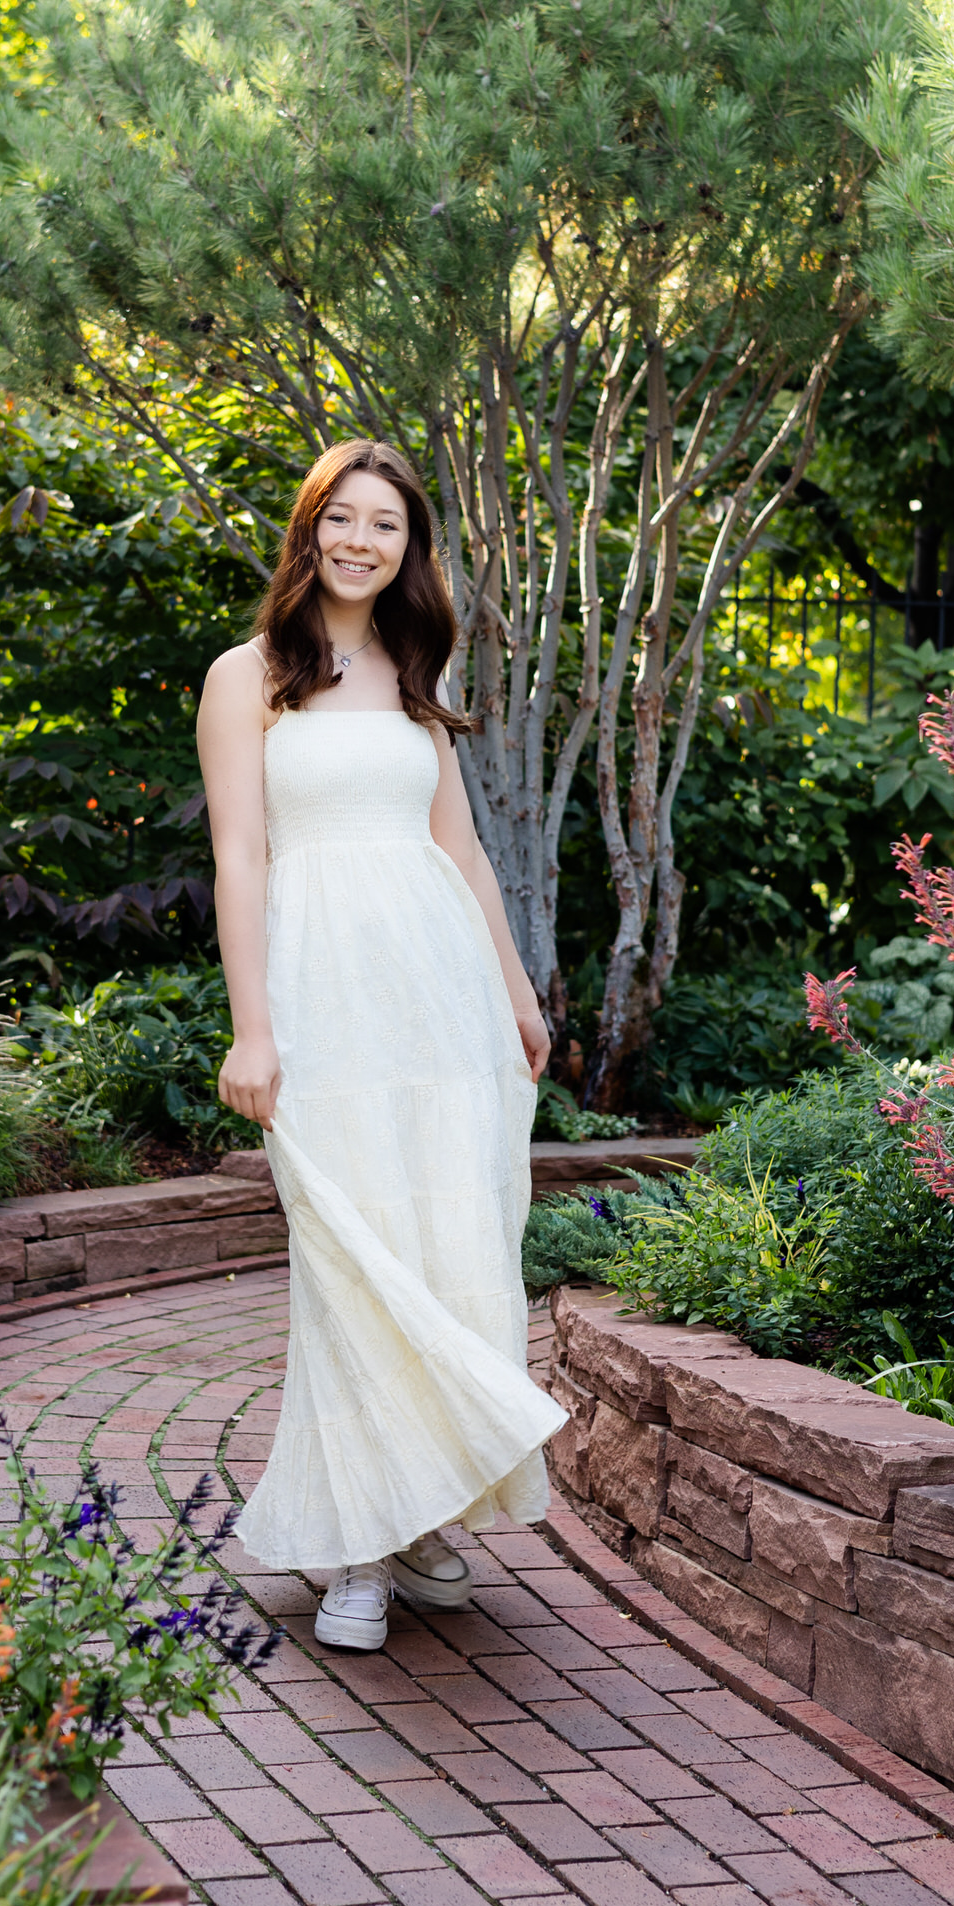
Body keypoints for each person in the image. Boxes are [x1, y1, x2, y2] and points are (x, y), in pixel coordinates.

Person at [197, 438, 566, 1653]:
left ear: (410, 550)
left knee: (446, 1239)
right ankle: (352, 1547)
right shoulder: (245, 675)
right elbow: (240, 857)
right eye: (343, 519)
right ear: (310, 529)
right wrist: (253, 1027)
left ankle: (416, 1520)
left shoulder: (412, 668)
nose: (363, 541)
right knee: (349, 1259)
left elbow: (457, 849)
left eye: (388, 527)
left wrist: (514, 989)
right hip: (320, 996)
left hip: (438, 996)